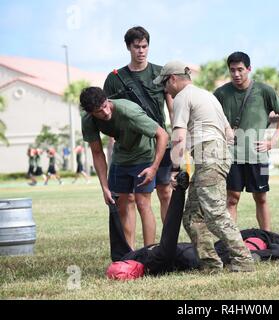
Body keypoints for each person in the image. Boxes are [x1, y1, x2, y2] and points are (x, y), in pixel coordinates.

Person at [107, 171, 279, 280]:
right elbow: (169, 233)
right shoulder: (156, 262)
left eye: (121, 266)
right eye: (125, 269)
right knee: (255, 246)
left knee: (253, 232)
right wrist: (179, 191)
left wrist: (113, 206)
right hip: (205, 257)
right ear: (134, 273)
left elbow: (117, 240)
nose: (124, 265)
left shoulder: (128, 258)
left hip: (204, 246)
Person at [154, 60, 255, 273]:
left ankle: (244, 259)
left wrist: (174, 168)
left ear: (172, 79)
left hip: (209, 156)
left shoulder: (182, 97)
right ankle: (211, 264)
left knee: (216, 213)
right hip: (215, 155)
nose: (165, 90)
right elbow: (229, 134)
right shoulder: (207, 95)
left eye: (165, 84)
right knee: (192, 216)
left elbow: (178, 136)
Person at [80, 86, 168, 249]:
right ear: (90, 112)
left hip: (143, 155)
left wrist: (154, 168)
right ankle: (129, 254)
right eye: (99, 111)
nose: (105, 112)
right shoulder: (88, 120)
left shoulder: (128, 111)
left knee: (143, 203)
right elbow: (98, 153)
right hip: (121, 157)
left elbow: (162, 134)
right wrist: (104, 188)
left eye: (105, 106)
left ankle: (148, 253)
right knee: (123, 204)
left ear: (107, 100)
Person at [103, 26, 174, 224]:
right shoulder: (115, 78)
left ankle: (168, 245)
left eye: (144, 46)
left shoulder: (160, 73)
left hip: (161, 141)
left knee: (165, 191)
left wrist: (177, 135)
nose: (141, 51)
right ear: (128, 47)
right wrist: (112, 145)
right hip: (131, 145)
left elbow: (172, 107)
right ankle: (133, 251)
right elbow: (109, 114)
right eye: (136, 47)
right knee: (133, 198)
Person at [214, 52, 279, 231]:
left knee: (261, 197)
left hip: (259, 156)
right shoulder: (221, 93)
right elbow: (209, 116)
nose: (236, 74)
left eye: (240, 69)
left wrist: (273, 141)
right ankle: (230, 242)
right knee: (232, 198)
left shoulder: (264, 91)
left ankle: (267, 236)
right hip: (231, 155)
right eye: (232, 70)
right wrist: (223, 131)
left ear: (249, 69)